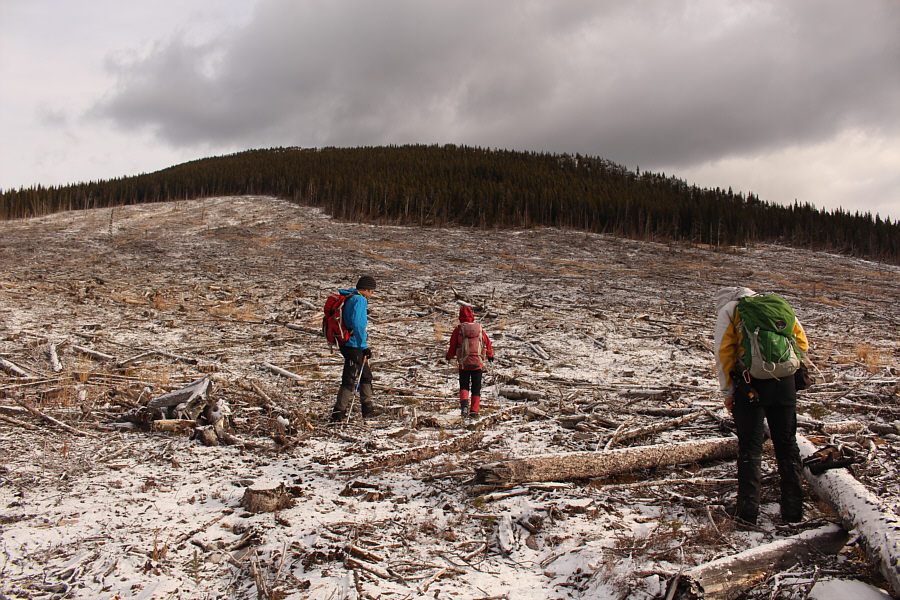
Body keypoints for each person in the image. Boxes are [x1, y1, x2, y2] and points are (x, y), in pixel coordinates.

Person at [714, 286, 810, 525]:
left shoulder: (730, 310)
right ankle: (793, 511)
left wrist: (727, 391)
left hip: (750, 386)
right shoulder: (777, 305)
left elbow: (723, 352)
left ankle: (747, 513)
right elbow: (802, 343)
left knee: (751, 448)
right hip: (785, 384)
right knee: (787, 444)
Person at [330, 275, 380, 422]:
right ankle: (338, 413)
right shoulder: (359, 300)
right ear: (366, 289)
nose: (371, 294)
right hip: (353, 345)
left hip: (349, 343)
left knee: (365, 375)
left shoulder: (349, 297)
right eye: (371, 291)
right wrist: (363, 346)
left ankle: (368, 408)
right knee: (349, 379)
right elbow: (358, 324)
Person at [445, 306, 494, 418]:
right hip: (478, 364)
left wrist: (449, 356)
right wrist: (490, 355)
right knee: (476, 388)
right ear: (472, 316)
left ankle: (465, 406)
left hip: (464, 364)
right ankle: (474, 411)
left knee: (464, 385)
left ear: (460, 317)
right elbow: (487, 343)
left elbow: (452, 346)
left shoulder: (458, 330)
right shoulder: (480, 329)